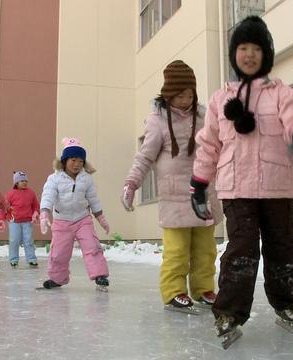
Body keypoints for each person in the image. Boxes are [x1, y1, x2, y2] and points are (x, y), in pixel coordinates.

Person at [189, 16, 293, 337]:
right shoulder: (221, 99)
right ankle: (230, 313)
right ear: (234, 53)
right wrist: (199, 183)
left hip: (276, 188)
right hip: (236, 189)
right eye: (243, 48)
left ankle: (287, 302)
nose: (249, 54)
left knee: (282, 247)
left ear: (266, 54)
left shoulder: (281, 93)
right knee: (241, 249)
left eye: (256, 48)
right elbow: (208, 144)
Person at [122, 60, 223, 312]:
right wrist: (132, 183)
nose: (186, 99)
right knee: (176, 251)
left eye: (190, 94)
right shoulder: (156, 121)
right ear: (168, 95)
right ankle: (173, 291)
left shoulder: (203, 118)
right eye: (180, 95)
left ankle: (203, 288)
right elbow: (145, 156)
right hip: (175, 196)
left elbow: (218, 147)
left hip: (203, 193)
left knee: (205, 250)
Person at [39, 138, 110, 290]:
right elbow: (48, 196)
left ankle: (100, 275)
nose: (77, 164)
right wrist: (44, 213)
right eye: (73, 160)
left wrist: (101, 218)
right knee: (59, 253)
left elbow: (93, 199)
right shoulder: (54, 179)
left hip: (82, 219)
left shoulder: (87, 179)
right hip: (61, 221)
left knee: (92, 246)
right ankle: (57, 278)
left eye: (80, 161)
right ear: (64, 160)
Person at [0, 170, 40, 268]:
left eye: (26, 181)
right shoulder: (10, 194)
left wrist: (35, 213)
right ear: (16, 183)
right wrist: (1, 220)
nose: (24, 183)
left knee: (28, 240)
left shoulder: (31, 193)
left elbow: (36, 206)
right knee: (14, 240)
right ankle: (13, 259)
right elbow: (4, 207)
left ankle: (31, 259)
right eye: (22, 181)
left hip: (27, 221)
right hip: (14, 222)